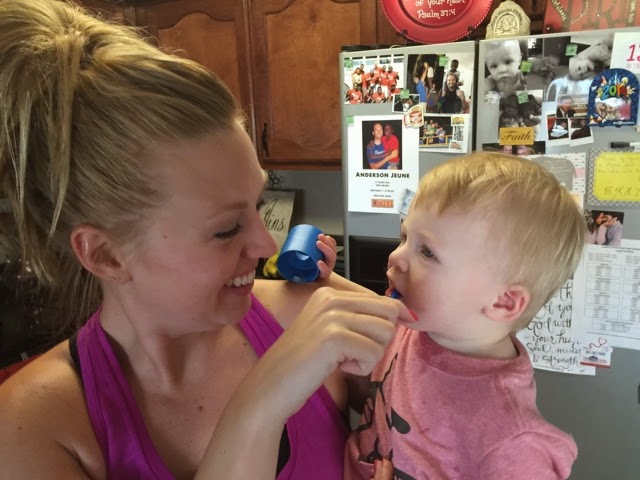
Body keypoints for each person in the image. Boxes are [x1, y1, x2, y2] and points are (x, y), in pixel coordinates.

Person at [0, 2, 415, 479]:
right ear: (106, 254)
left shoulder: (311, 314)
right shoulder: (33, 425)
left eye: (258, 205)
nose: (266, 246)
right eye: (226, 228)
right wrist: (261, 403)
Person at [344, 152, 585, 479]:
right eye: (404, 237)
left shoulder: (513, 443)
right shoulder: (418, 326)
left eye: (427, 252)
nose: (395, 257)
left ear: (503, 302)